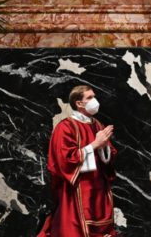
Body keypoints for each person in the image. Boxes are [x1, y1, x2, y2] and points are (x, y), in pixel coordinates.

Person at [38, 85, 118, 237]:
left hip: (99, 188)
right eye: (89, 98)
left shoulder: (98, 125)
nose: (94, 101)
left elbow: (110, 153)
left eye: (94, 96)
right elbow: (65, 160)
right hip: (77, 189)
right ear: (78, 103)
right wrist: (95, 144)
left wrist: (103, 148)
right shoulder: (66, 127)